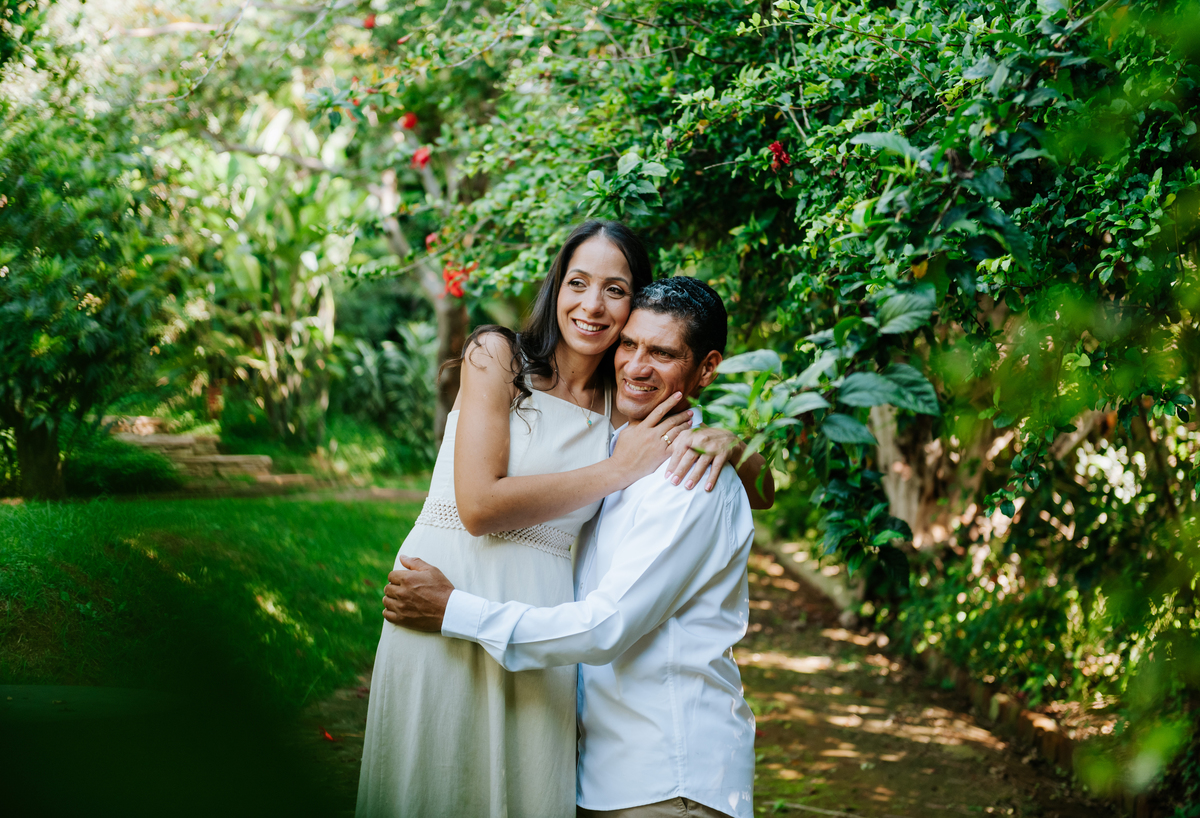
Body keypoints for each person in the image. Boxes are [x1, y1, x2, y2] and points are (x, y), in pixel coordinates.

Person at [356, 222, 771, 818]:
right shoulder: (499, 356)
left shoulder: (621, 397)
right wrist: (617, 469)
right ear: (556, 285)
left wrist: (735, 443)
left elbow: (755, 490)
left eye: (615, 290)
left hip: (537, 621)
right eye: (578, 282)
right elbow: (478, 507)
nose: (592, 305)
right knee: (433, 782)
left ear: (633, 305)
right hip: (449, 590)